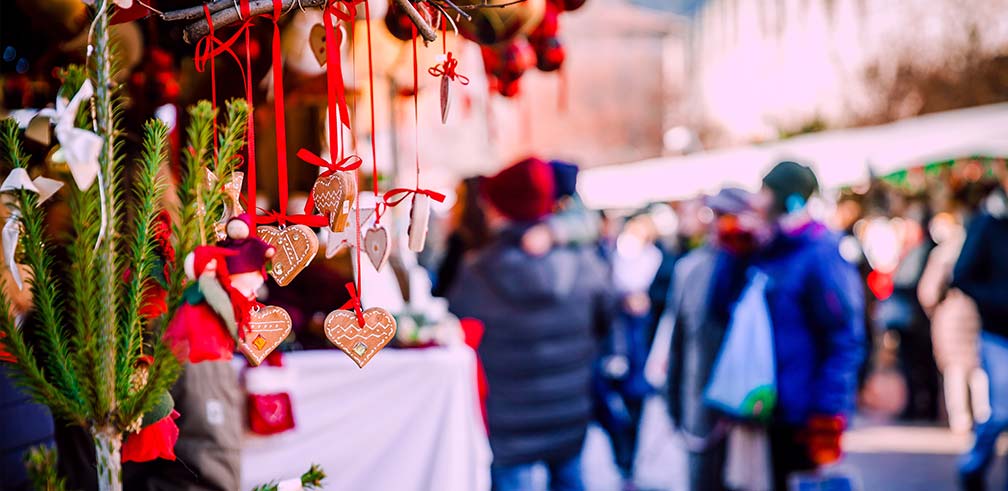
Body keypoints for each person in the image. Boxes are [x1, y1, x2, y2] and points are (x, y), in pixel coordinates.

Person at [447, 157, 612, 491]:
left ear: (498, 206)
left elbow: (459, 331)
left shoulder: (477, 270)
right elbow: (605, 323)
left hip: (506, 423)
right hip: (569, 411)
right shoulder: (585, 262)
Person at [751, 161, 865, 490]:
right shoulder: (769, 251)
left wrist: (829, 411)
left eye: (765, 191)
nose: (759, 200)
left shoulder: (820, 254)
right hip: (769, 405)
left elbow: (844, 337)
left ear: (787, 199)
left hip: (804, 412)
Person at [664, 187, 762, 491]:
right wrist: (676, 407)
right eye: (718, 216)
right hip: (702, 411)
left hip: (753, 411)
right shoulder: (690, 269)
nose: (723, 225)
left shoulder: (763, 267)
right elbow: (678, 344)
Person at [953, 183, 1008, 491]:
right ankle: (972, 464)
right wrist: (998, 300)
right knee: (1001, 412)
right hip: (997, 332)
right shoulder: (988, 224)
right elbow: (963, 274)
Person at [917, 212, 984, 433]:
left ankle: (961, 419)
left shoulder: (943, 253)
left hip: (951, 313)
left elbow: (927, 292)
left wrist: (935, 308)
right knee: (977, 366)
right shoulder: (976, 246)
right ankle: (984, 414)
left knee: (955, 368)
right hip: (976, 312)